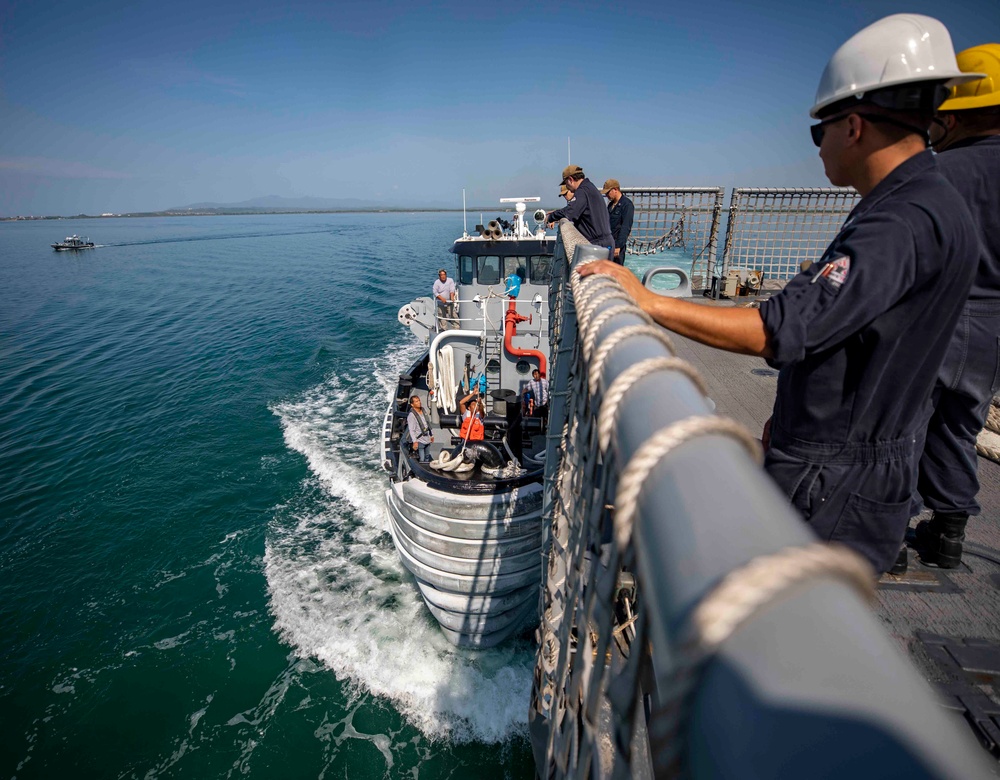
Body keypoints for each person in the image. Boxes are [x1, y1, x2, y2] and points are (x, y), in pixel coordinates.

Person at [579, 13, 982, 574]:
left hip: (834, 477)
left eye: (820, 131)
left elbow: (780, 328)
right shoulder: (927, 205)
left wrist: (649, 303)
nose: (817, 149)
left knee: (791, 632)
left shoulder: (900, 224)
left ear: (856, 126)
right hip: (855, 460)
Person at [911, 43, 1000, 569]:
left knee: (903, 423)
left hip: (933, 318)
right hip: (994, 326)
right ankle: (949, 533)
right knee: (961, 424)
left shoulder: (936, 174)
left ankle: (892, 534)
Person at [546, 165, 615, 255]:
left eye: (566, 183)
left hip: (598, 245)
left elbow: (570, 212)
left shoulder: (582, 191)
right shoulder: (590, 187)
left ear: (570, 179)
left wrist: (551, 217)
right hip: (604, 242)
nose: (567, 186)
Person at [602, 179, 634, 266]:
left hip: (617, 246)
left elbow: (625, 227)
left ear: (615, 189)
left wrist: (618, 246)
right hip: (608, 243)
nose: (606, 195)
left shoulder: (627, 205)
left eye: (608, 192)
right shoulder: (610, 205)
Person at [406, 395, 434, 463]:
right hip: (420, 440)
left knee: (427, 456)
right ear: (412, 404)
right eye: (416, 401)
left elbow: (427, 424)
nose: (419, 402)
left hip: (427, 438)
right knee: (422, 458)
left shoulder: (423, 410)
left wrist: (431, 435)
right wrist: (415, 442)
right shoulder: (412, 416)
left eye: (419, 400)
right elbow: (411, 430)